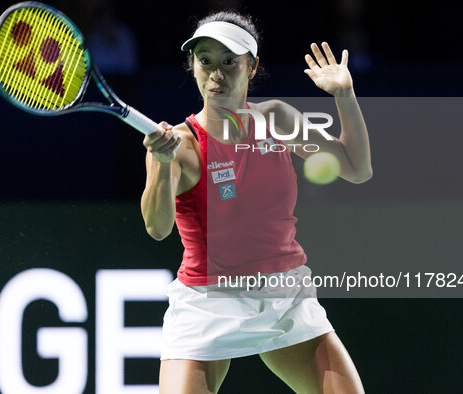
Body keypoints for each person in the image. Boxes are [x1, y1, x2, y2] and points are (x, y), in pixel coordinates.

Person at [141, 10, 371, 394]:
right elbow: (157, 229)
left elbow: (354, 167)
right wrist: (162, 167)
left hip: (285, 296)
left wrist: (344, 96)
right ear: (192, 66)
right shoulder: (179, 145)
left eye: (230, 61)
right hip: (207, 302)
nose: (217, 73)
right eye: (206, 61)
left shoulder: (277, 120)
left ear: (252, 67)